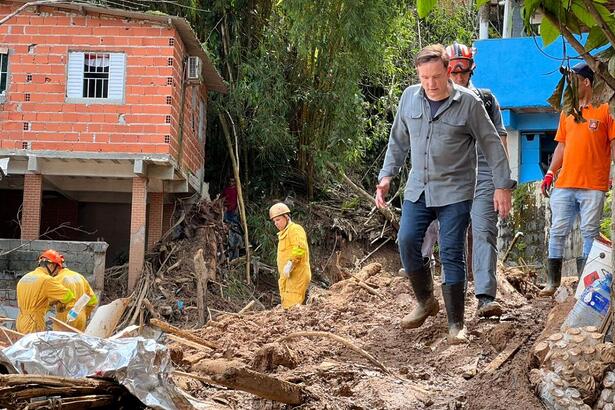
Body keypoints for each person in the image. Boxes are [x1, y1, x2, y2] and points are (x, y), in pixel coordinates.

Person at [375, 44, 515, 343]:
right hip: (419, 187)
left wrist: (503, 185)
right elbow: (398, 140)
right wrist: (387, 175)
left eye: (436, 76)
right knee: (407, 240)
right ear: (418, 75)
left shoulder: (469, 103)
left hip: (456, 190)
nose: (430, 84)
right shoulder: (409, 98)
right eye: (424, 78)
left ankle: (456, 324)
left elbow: (492, 143)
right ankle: (425, 300)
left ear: (447, 71)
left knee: (452, 250)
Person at [540, 62, 615, 297]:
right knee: (557, 231)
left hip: (593, 184)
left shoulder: (605, 109)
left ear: (586, 82)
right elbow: (561, 145)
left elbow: (613, 143)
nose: (569, 85)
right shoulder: (568, 112)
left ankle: (585, 286)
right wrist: (551, 173)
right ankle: (553, 283)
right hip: (565, 183)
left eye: (573, 80)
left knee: (589, 232)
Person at [445, 42, 509, 318]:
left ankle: (484, 296)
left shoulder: (486, 100)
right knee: (450, 236)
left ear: (471, 70)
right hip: (450, 175)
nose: (459, 77)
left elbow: (499, 139)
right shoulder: (433, 100)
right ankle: (452, 297)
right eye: (454, 71)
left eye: (464, 71)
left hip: (483, 173)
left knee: (484, 230)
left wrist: (502, 182)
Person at [16, 249, 75, 333]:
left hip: (20, 320)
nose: (56, 272)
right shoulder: (46, 280)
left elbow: (34, 297)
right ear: (51, 265)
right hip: (34, 322)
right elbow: (68, 296)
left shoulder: (25, 277)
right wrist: (56, 301)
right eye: (57, 268)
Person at [269, 202, 311, 308]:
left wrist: (290, 263)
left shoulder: (295, 229)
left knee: (292, 308)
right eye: (274, 221)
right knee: (287, 306)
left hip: (297, 274)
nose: (276, 223)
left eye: (278, 220)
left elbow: (300, 247)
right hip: (287, 276)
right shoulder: (283, 233)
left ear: (286, 217)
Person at [52, 265, 98, 331]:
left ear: (54, 267)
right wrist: (84, 314)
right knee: (77, 340)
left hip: (66, 316)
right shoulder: (80, 276)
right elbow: (93, 301)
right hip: (81, 316)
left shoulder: (58, 279)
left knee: (60, 340)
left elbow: (49, 300)